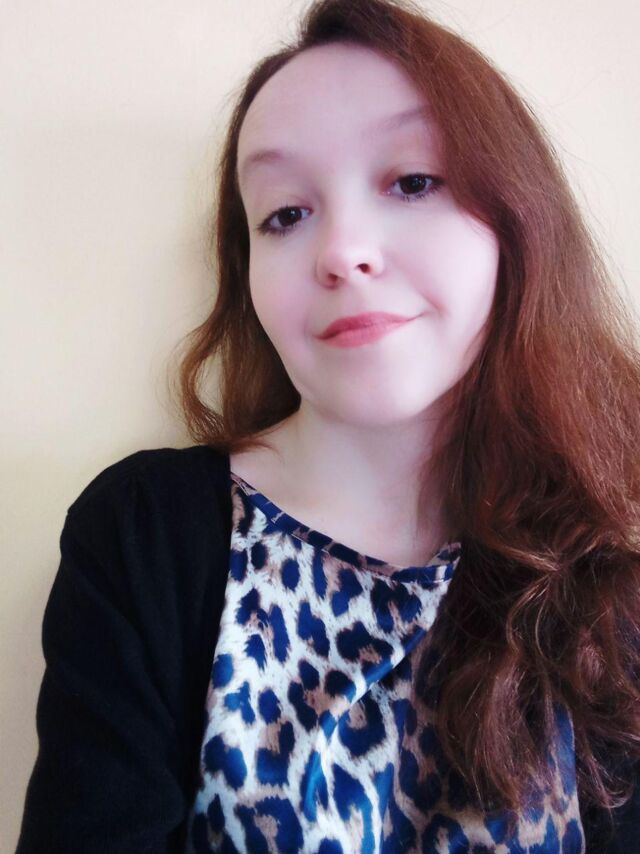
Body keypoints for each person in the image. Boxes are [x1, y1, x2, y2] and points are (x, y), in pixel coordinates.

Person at [17, 0, 640, 851]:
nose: (343, 251)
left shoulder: (609, 579)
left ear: (516, 220)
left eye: (412, 181)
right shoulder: (143, 536)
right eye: (285, 213)